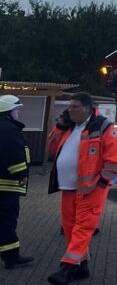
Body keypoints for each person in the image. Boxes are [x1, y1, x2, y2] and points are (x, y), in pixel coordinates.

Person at [46, 92, 117, 285]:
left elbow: (113, 159)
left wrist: (102, 183)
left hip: (91, 189)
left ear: (87, 108)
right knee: (70, 227)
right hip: (68, 187)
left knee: (82, 228)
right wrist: (60, 125)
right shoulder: (69, 127)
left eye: (74, 106)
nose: (69, 110)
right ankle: (82, 267)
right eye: (69, 106)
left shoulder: (104, 127)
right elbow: (52, 147)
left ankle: (67, 268)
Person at [0, 95, 33, 270]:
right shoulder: (8, 129)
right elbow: (13, 154)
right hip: (6, 185)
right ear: (8, 111)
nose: (18, 113)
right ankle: (11, 257)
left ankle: (10, 256)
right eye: (16, 110)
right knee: (6, 221)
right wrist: (21, 173)